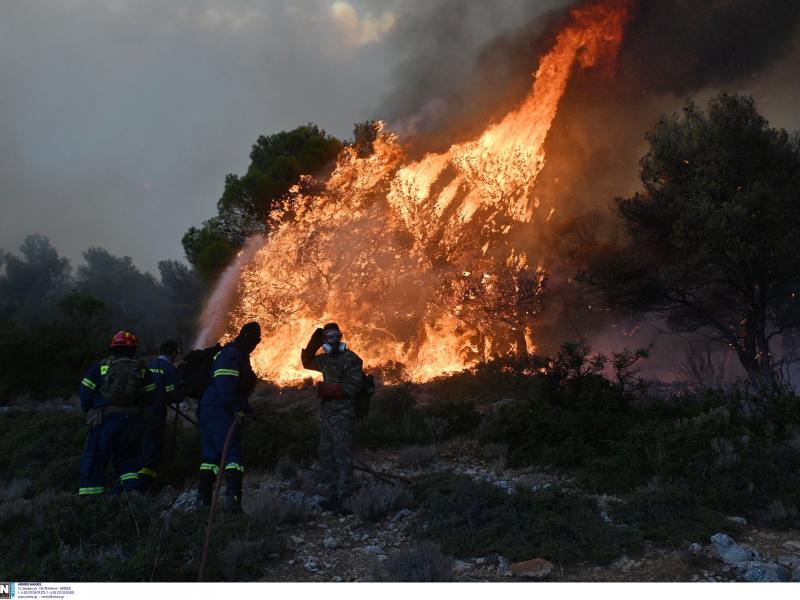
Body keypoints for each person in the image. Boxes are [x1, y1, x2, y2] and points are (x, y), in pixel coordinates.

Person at [78, 330, 156, 496]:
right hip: (133, 423)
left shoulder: (101, 366)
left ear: (113, 348)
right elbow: (151, 397)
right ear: (133, 349)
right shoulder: (142, 370)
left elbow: (85, 391)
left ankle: (90, 503)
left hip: (106, 420)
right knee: (129, 460)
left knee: (96, 459)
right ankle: (130, 496)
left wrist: (91, 407)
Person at [196, 322, 260, 512]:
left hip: (208, 409)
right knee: (232, 454)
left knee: (210, 458)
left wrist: (247, 409)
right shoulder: (232, 354)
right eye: (255, 341)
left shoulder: (230, 353)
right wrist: (238, 408)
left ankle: (203, 503)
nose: (256, 345)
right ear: (250, 338)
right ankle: (233, 504)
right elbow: (226, 387)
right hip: (219, 411)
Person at [301, 322, 364, 514]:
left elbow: (354, 386)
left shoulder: (351, 359)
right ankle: (332, 495)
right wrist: (314, 342)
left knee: (342, 454)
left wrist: (332, 389)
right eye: (329, 337)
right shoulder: (325, 360)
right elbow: (306, 362)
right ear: (325, 340)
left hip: (343, 412)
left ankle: (346, 497)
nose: (334, 341)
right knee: (326, 453)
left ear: (341, 336)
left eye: (336, 336)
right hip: (328, 414)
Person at [138, 339, 180, 492]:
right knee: (153, 447)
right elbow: (174, 395)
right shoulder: (170, 369)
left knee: (140, 445)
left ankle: (135, 481)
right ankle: (146, 485)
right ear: (174, 353)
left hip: (139, 413)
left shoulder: (148, 366)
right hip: (156, 414)